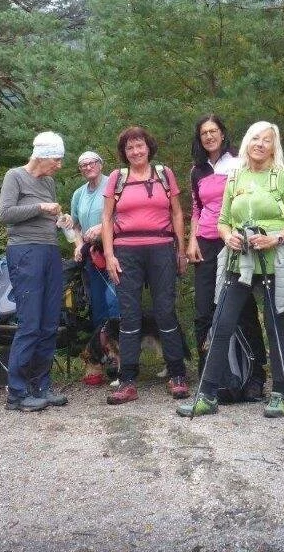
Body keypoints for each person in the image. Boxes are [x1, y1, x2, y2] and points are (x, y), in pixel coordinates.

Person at [177, 121, 284, 419]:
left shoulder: (283, 177)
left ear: (274, 147)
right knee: (222, 322)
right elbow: (223, 220)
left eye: (267, 140)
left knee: (275, 325)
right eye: (255, 139)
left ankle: (280, 393)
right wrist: (228, 236)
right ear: (247, 142)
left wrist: (275, 238)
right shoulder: (235, 176)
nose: (260, 144)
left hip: (273, 257)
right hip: (240, 258)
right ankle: (207, 395)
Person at [101, 126, 190, 404]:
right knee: (129, 315)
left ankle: (177, 374)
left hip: (162, 248)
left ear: (148, 147)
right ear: (124, 153)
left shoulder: (164, 175)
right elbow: (106, 219)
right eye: (130, 148)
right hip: (126, 251)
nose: (136, 151)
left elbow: (177, 212)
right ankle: (127, 380)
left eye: (140, 146)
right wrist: (109, 255)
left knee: (165, 311)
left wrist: (182, 250)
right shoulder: (117, 178)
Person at [187, 114, 267, 400]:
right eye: (204, 133)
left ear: (223, 134)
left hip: (234, 242)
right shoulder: (197, 171)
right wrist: (191, 240)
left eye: (214, 131)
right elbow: (196, 208)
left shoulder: (238, 163)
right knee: (203, 312)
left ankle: (256, 376)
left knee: (243, 310)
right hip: (206, 244)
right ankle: (207, 377)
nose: (209, 136)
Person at [0, 131, 70, 412]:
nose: (59, 165)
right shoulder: (14, 176)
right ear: (43, 155)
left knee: (50, 321)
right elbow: (5, 214)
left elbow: (49, 217)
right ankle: (17, 392)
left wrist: (62, 220)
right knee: (30, 322)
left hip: (50, 250)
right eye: (57, 159)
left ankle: (41, 385)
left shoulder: (49, 181)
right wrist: (40, 207)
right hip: (25, 251)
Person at [68, 150, 119, 333]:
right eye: (84, 165)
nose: (88, 167)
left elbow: (123, 216)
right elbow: (75, 225)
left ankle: (120, 347)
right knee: (97, 301)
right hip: (92, 254)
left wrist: (102, 228)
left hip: (116, 249)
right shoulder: (78, 194)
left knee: (113, 299)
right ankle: (101, 349)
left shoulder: (112, 185)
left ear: (100, 164)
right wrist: (79, 245)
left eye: (92, 163)